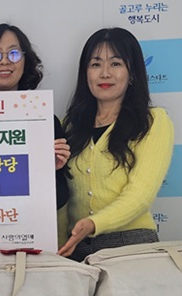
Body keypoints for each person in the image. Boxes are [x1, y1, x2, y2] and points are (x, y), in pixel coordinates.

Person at [58, 27, 174, 261]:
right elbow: (61, 196)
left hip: (131, 246)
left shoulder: (153, 121)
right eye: (96, 64)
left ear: (132, 73)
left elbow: (140, 194)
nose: (105, 73)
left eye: (116, 63)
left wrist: (94, 223)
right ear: (85, 74)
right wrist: (59, 249)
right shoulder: (68, 125)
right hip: (77, 250)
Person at [0, 23, 71, 214]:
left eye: (13, 54)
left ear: (25, 61)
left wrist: (51, 170)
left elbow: (60, 198)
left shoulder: (45, 122)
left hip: (26, 229)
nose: (4, 62)